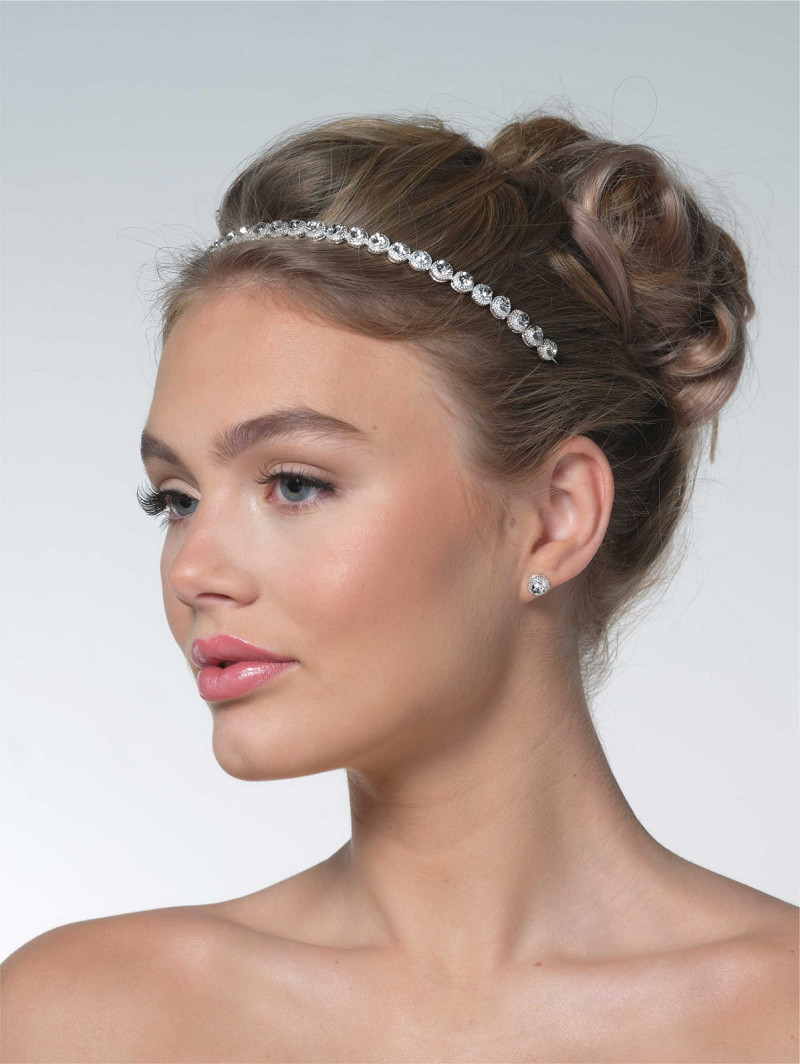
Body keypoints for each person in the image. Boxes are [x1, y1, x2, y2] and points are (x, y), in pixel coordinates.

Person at [2, 109, 797, 1063]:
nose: (192, 570)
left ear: (555, 517)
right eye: (175, 499)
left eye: (295, 484)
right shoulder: (80, 1022)